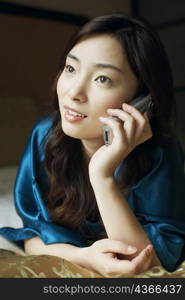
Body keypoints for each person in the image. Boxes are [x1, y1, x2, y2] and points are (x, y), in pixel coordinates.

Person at [0, 12, 185, 278]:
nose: (74, 93)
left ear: (141, 99)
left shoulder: (160, 152)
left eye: (102, 79)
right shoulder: (44, 136)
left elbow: (143, 259)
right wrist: (84, 257)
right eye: (71, 68)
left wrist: (102, 175)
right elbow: (34, 236)